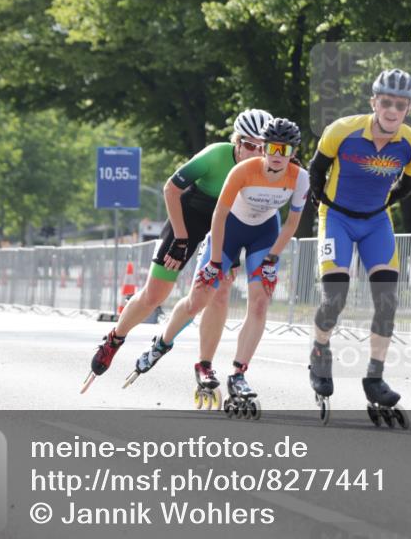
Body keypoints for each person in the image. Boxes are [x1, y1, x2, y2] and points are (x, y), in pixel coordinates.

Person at [81, 109, 273, 392]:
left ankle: (204, 365)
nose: (254, 152)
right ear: (236, 141)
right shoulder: (215, 155)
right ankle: (115, 338)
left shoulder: (268, 168)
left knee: (219, 293)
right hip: (190, 216)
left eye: (262, 146)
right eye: (248, 145)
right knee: (154, 295)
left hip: (226, 224)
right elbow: (171, 189)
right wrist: (181, 237)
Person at [152, 117, 308, 413]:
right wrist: (214, 261)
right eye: (271, 147)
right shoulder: (242, 170)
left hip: (264, 235)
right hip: (229, 230)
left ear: (292, 152)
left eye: (284, 150)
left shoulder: (300, 178)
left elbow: (292, 223)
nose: (277, 155)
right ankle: (163, 340)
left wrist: (273, 259)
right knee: (201, 297)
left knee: (260, 302)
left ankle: (238, 374)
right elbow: (219, 216)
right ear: (263, 148)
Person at [306, 68, 411, 413]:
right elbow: (317, 169)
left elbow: (410, 184)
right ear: (374, 102)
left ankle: (375, 377)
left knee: (388, 301)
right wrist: (321, 202)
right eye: (386, 102)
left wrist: (384, 203)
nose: (392, 110)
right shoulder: (342, 131)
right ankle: (320, 349)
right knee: (335, 297)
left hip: (376, 222)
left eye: (400, 105)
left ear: (408, 109)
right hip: (337, 219)